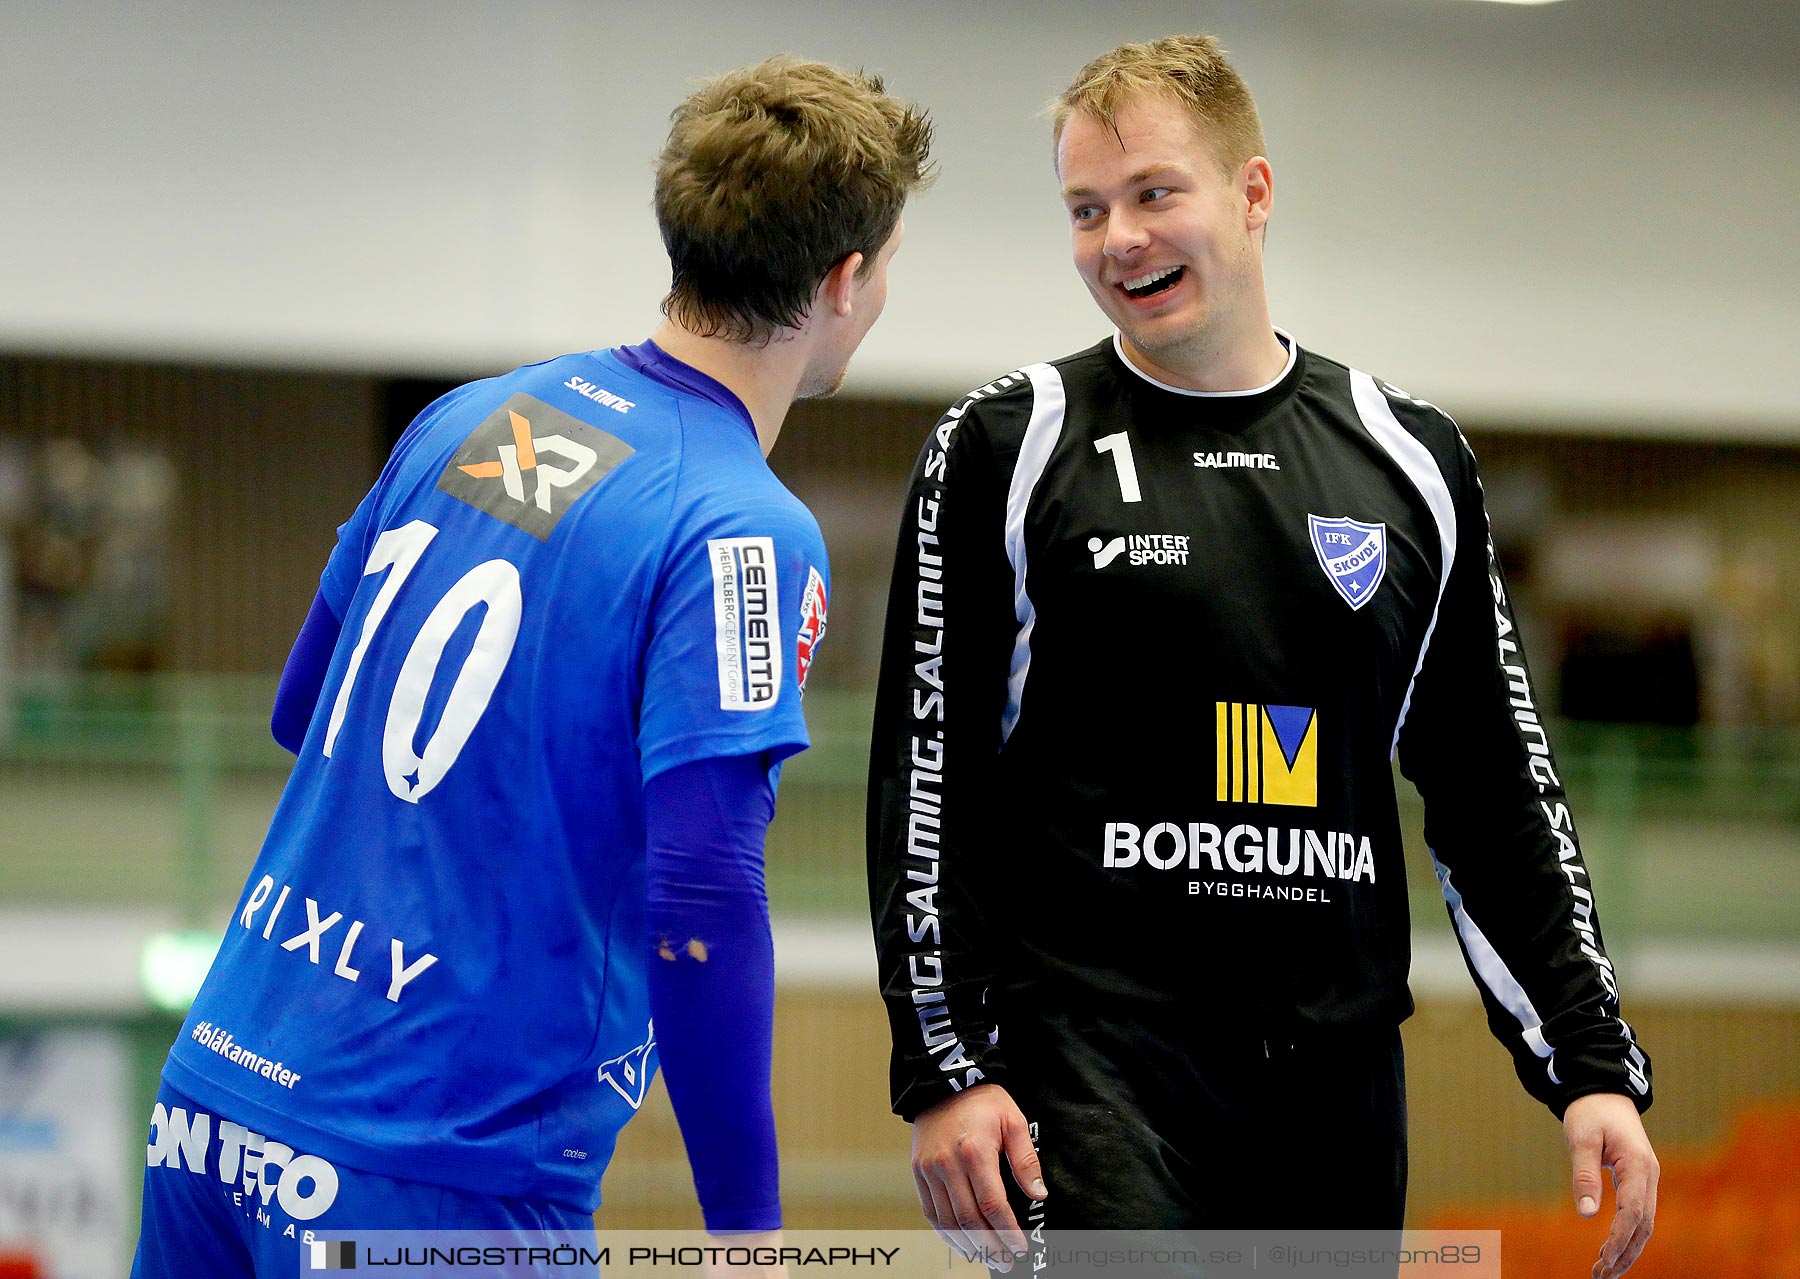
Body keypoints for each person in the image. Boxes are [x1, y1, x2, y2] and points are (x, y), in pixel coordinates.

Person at [867, 32, 1657, 1279]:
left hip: (1336, 1087)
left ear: (1253, 193)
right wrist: (947, 1064)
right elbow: (927, 779)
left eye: (1153, 193)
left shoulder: (1412, 460)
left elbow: (1495, 787)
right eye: (1085, 208)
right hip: (1093, 1073)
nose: (1118, 237)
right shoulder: (1007, 448)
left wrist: (1588, 1062)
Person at [133, 55, 932, 1277]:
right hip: (437, 1167)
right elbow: (705, 901)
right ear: (847, 279)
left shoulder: (467, 416)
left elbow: (306, 709)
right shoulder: (740, 526)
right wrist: (749, 1241)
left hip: (216, 1099)